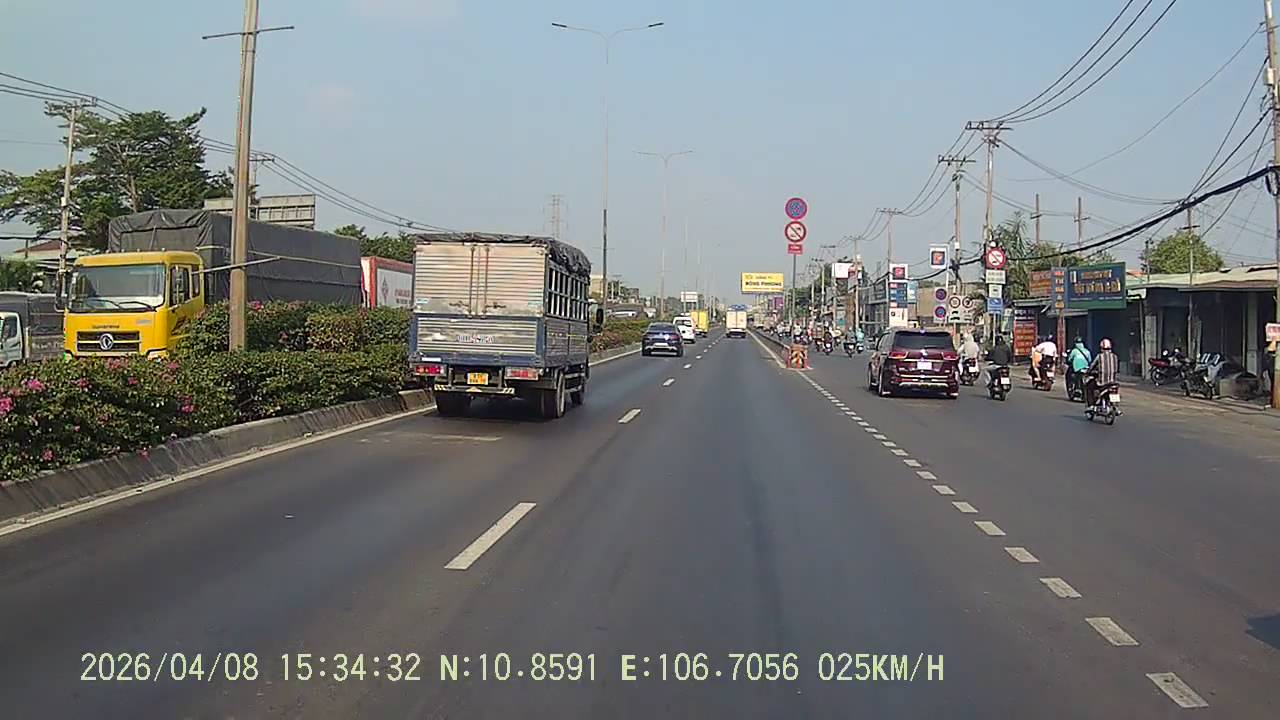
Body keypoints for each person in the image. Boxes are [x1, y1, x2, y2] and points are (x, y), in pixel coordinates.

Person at [1085, 338, 1120, 408]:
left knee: (1089, 386)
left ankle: (1091, 405)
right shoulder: (1115, 357)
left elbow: (1092, 366)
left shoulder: (1099, 356)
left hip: (1102, 383)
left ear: (1101, 348)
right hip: (1113, 382)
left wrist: (1088, 372)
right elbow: (1116, 368)